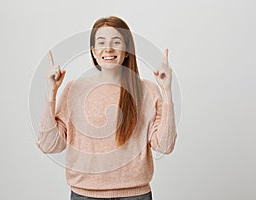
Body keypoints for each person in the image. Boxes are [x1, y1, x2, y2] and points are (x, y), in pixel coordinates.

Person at [36, 16, 177, 200]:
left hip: (135, 195)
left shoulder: (147, 90)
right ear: (94, 52)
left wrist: (166, 91)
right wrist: (51, 93)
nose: (108, 49)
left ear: (126, 51)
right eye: (101, 42)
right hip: (84, 195)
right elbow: (49, 145)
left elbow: (165, 146)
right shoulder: (74, 89)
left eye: (116, 42)